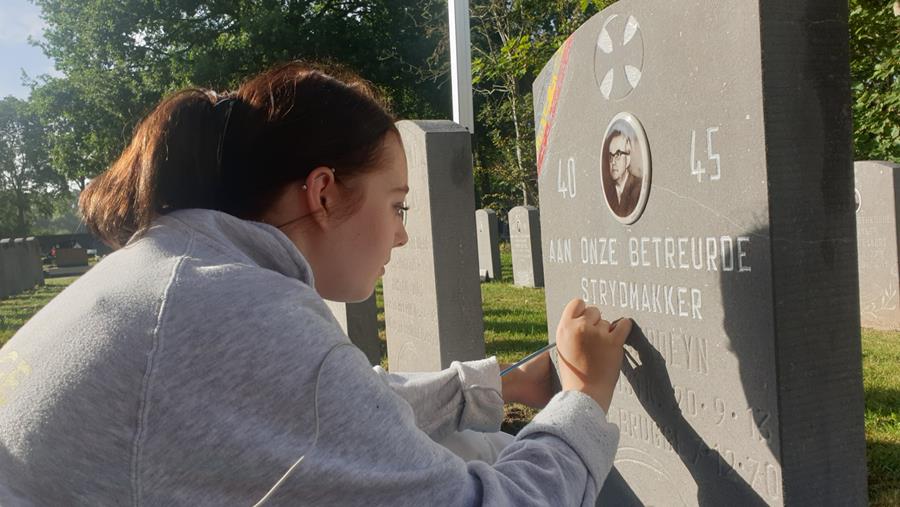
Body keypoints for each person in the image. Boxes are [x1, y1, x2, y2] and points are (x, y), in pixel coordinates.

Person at [0, 62, 632, 506]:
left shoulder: (181, 270)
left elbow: (327, 409)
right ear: (324, 193)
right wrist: (583, 399)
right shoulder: (239, 311)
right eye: (398, 206)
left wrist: (500, 385)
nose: (402, 235)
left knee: (475, 441)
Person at [604, 130, 642, 218]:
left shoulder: (638, 189)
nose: (613, 162)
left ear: (628, 160)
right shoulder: (608, 192)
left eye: (618, 154)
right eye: (610, 156)